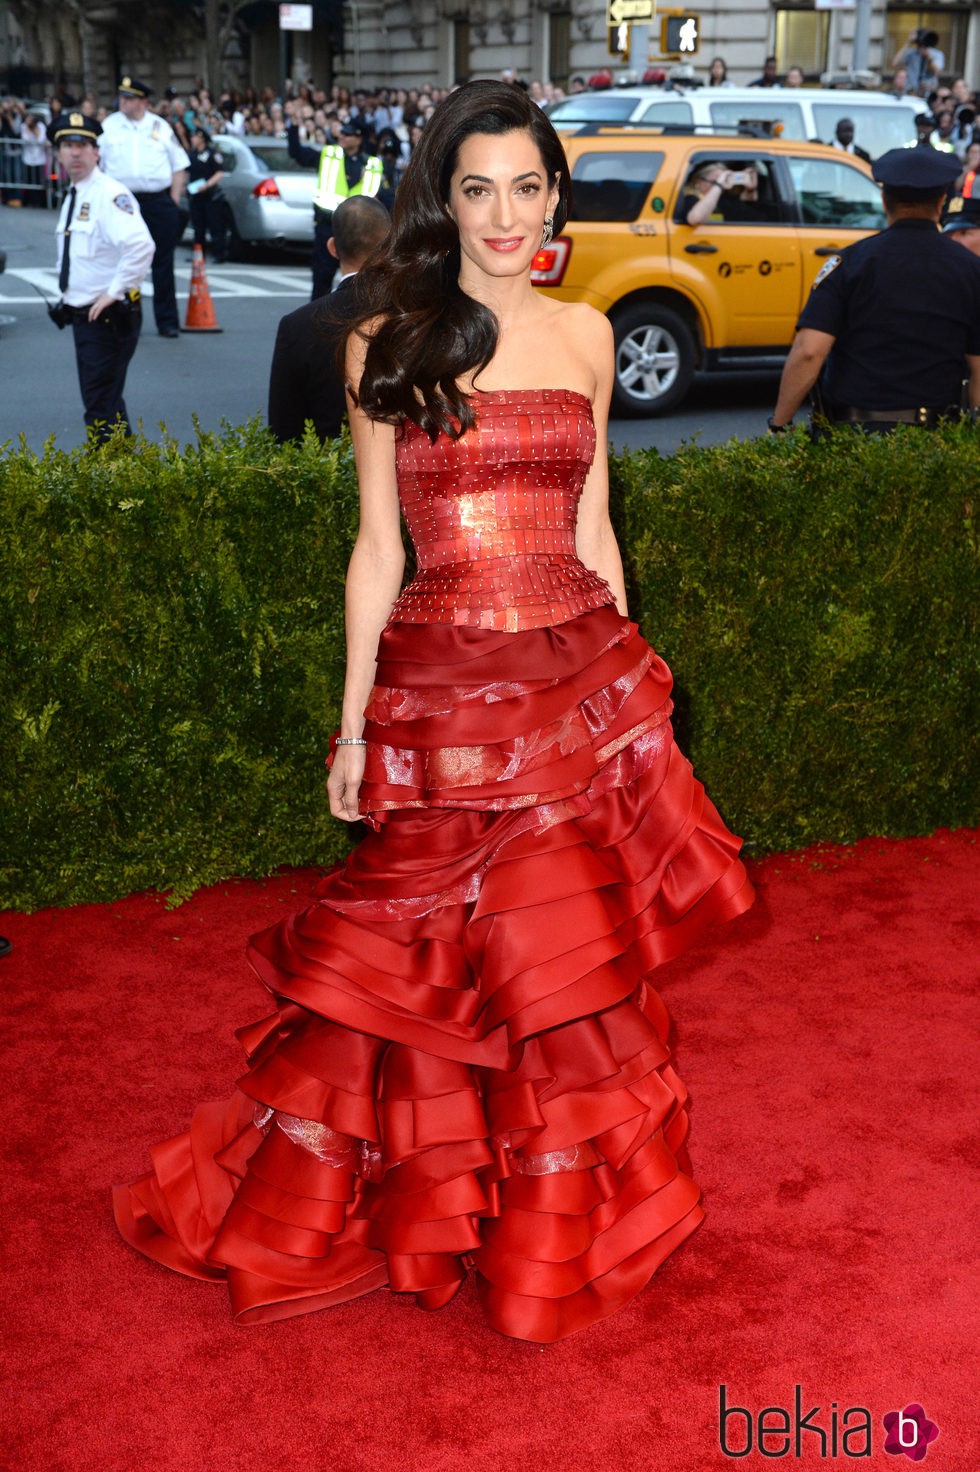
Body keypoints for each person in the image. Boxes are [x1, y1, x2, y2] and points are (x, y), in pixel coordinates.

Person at [112, 79, 752, 1345]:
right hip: (440, 697)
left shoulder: (583, 335)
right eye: (476, 189)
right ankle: (409, 1204)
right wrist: (352, 725)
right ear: (440, 200)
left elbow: (591, 527)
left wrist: (632, 715)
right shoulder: (386, 337)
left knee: (557, 976)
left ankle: (543, 1225)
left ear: (555, 194)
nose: (503, 215)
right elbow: (374, 550)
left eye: (525, 187)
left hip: (570, 695)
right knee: (413, 971)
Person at [769, 147, 980, 434]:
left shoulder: (848, 263)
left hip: (852, 438)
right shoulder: (970, 269)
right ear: (942, 203)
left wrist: (779, 425)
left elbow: (809, 352)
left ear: (884, 201)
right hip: (934, 440)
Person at [48, 111, 154, 442]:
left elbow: (141, 246)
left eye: (82, 145)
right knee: (108, 402)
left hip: (107, 317)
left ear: (96, 152)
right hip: (86, 316)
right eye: (67, 145)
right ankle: (127, 474)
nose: (75, 152)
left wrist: (114, 292)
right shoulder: (76, 193)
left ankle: (106, 481)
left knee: (99, 407)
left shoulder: (108, 193)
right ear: (58, 153)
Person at [267, 195, 390, 442]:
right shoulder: (417, 311)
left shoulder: (297, 325)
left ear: (332, 247)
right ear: (390, 246)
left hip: (326, 471)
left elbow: (284, 431)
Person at [98, 76, 189, 338]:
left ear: (142, 102)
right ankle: (119, 317)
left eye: (128, 98)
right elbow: (99, 165)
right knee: (119, 261)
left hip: (157, 201)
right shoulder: (110, 126)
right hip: (122, 202)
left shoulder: (160, 127)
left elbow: (179, 165)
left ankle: (167, 321)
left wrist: (172, 199)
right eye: (122, 97)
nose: (122, 102)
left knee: (162, 263)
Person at [287, 109, 386, 299]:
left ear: (359, 139)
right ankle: (316, 322)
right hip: (328, 227)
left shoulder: (372, 165)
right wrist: (293, 126)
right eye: (342, 132)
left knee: (359, 282)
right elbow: (296, 153)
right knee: (322, 279)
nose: (342, 136)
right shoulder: (328, 154)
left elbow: (384, 197)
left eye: (348, 134)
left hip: (359, 232)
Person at [186, 125, 226, 262]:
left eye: (194, 136)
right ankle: (198, 254)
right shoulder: (192, 154)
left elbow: (219, 173)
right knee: (198, 227)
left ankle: (219, 254)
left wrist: (207, 185)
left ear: (201, 138)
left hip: (210, 195)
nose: (192, 139)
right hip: (195, 195)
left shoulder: (212, 154)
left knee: (215, 225)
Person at [682, 161, 766, 225]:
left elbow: (749, 212)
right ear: (697, 181)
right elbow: (695, 219)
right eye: (714, 181)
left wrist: (750, 190)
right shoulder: (688, 198)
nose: (720, 186)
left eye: (723, 181)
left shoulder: (723, 200)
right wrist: (718, 185)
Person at [891, 29, 944, 96]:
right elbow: (895, 63)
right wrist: (908, 43)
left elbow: (937, 71)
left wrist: (929, 57)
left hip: (929, 91)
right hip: (911, 92)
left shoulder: (937, 54)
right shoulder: (911, 53)